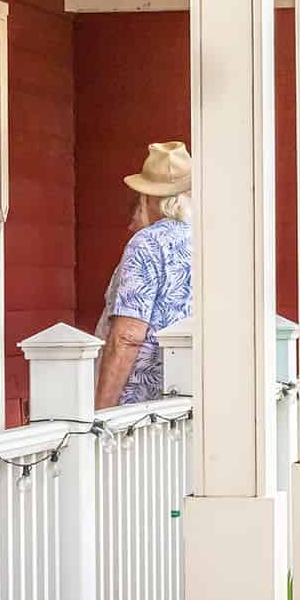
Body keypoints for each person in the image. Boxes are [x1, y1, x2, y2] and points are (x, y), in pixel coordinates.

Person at [94, 142, 193, 409]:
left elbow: (127, 336)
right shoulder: (209, 242)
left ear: (151, 198)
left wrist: (102, 411)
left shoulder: (147, 243)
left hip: (142, 412)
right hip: (192, 402)